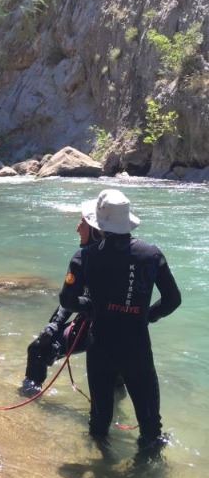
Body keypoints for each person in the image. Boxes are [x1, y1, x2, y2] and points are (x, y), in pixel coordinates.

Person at [59, 189, 181, 453]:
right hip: (137, 347)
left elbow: (67, 300)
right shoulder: (152, 254)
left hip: (100, 346)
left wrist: (91, 307)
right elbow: (173, 300)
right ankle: (146, 472)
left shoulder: (84, 257)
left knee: (99, 421)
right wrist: (147, 316)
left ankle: (103, 468)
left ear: (100, 224)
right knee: (151, 427)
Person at [20, 214, 104, 396]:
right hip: (103, 324)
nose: (77, 228)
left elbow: (73, 301)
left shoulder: (85, 257)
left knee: (38, 351)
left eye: (82, 223)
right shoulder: (116, 254)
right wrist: (55, 324)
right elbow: (70, 300)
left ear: (94, 230)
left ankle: (28, 397)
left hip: (95, 326)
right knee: (113, 378)